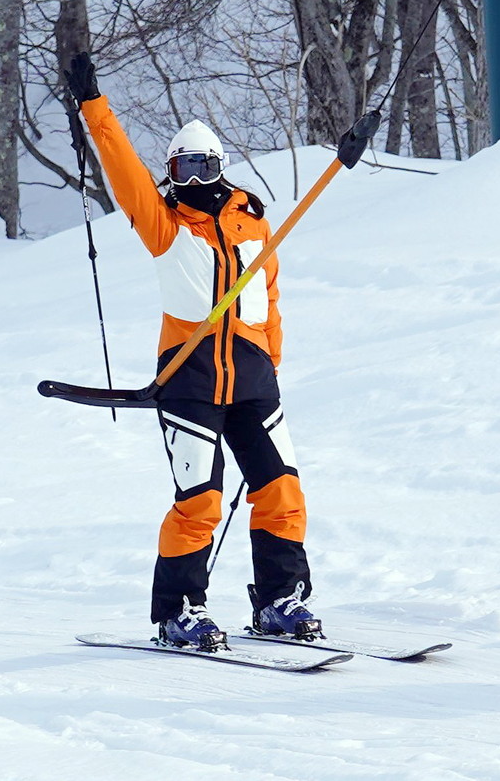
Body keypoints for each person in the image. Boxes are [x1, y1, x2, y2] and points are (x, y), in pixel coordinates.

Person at [64, 52, 320, 650]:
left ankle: (280, 600)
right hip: (189, 379)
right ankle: (181, 611)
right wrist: (94, 108)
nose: (195, 180)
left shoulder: (253, 222)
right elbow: (125, 172)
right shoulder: (165, 225)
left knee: (281, 491)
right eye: (182, 168)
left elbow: (268, 295)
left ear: (223, 167)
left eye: (205, 167)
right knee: (200, 499)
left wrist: (271, 359)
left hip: (255, 380)